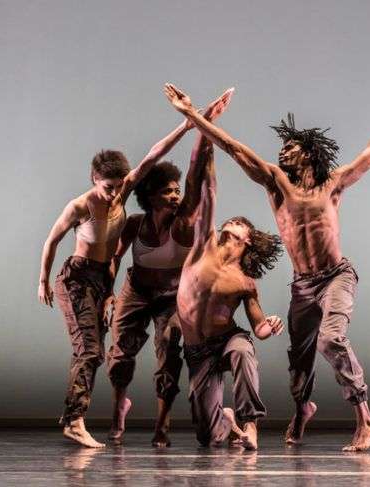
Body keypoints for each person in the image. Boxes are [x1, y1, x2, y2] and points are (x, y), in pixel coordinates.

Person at [164, 82, 370, 451]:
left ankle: (366, 421)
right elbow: (235, 149)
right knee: (299, 364)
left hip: (336, 275)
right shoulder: (277, 184)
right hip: (302, 285)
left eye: (290, 147)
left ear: (308, 153)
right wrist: (192, 115)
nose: (283, 151)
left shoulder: (333, 183)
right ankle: (302, 408)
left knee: (331, 339)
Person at [37, 98, 223, 447]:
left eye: (119, 186)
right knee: (103, 352)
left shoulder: (150, 209)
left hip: (137, 288)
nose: (113, 193)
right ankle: (94, 413)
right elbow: (70, 246)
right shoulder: (98, 211)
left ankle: (146, 422)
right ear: (95, 180)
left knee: (145, 348)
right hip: (102, 282)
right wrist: (49, 281)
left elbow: (157, 156)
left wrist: (190, 124)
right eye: (107, 187)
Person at [106, 89, 233, 447]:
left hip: (172, 296)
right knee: (120, 354)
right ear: (150, 196)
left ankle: (161, 424)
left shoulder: (183, 224)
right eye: (167, 192)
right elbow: (115, 258)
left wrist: (202, 123)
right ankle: (120, 408)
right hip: (136, 290)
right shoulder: (135, 225)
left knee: (168, 348)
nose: (175, 196)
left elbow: (196, 180)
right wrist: (108, 297)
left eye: (176, 190)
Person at [163, 99, 284, 450]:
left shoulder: (245, 282)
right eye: (228, 223)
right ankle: (226, 425)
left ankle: (250, 425)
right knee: (207, 436)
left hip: (228, 338)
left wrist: (268, 326)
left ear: (247, 239)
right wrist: (205, 127)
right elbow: (207, 187)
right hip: (197, 349)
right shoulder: (203, 246)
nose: (228, 225)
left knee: (244, 354)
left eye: (237, 226)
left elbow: (258, 327)